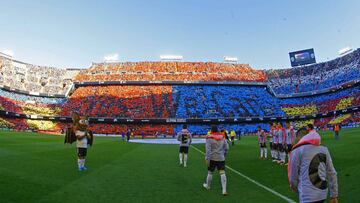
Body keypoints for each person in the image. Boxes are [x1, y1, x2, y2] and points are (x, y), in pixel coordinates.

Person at [288, 124, 338, 203]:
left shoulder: (297, 150)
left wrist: (295, 188)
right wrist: (334, 195)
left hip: (307, 195)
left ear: (299, 137)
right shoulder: (324, 148)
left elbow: (292, 176)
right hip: (322, 193)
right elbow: (332, 173)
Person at [203, 125, 229, 196]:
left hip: (212, 158)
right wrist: (224, 155)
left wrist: (207, 159)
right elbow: (227, 147)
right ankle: (224, 190)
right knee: (222, 173)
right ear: (217, 130)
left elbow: (208, 150)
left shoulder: (209, 138)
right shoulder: (222, 137)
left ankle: (208, 186)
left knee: (210, 172)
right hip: (221, 157)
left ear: (211, 130)